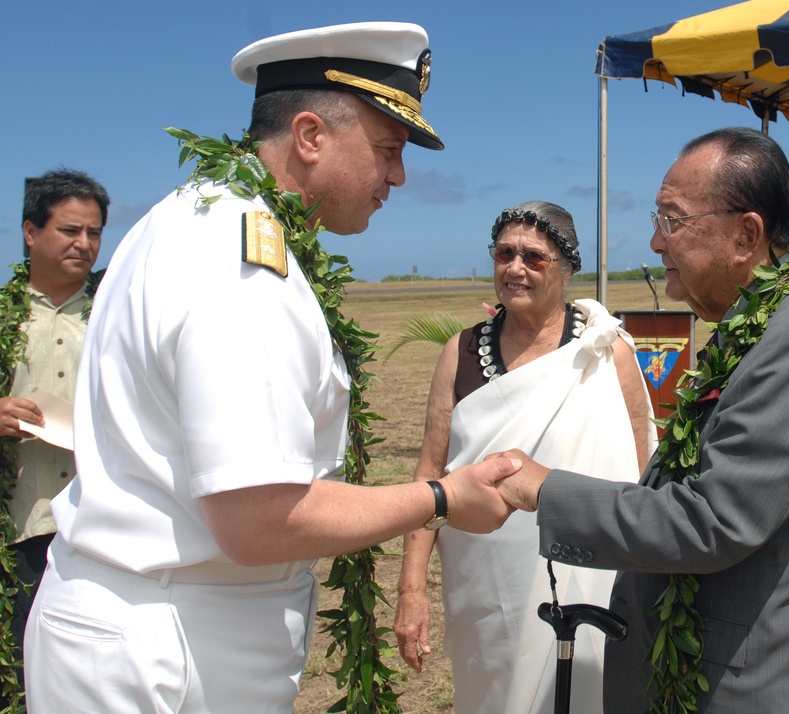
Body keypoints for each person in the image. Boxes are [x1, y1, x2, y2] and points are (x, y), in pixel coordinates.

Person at [24, 22, 519, 713]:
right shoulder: (240, 264)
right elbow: (259, 517)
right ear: (311, 136)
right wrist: (443, 498)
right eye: (388, 149)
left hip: (161, 619)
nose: (399, 176)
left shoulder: (198, 218)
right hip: (173, 645)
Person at [497, 127, 789, 713]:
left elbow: (712, 521)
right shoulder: (759, 322)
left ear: (747, 234)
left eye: (673, 221)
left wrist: (546, 489)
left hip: (743, 687)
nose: (656, 243)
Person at [394, 201, 657, 714]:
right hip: (484, 593)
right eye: (504, 253)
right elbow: (430, 473)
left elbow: (643, 472)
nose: (515, 268)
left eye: (534, 257)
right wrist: (411, 590)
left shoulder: (606, 352)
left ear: (565, 271)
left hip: (595, 581)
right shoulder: (460, 352)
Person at [0, 169, 109, 704]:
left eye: (93, 233)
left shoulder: (120, 312)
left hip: (103, 527)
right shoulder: (3, 317)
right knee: (22, 674)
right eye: (69, 230)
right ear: (29, 232)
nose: (83, 244)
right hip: (25, 524)